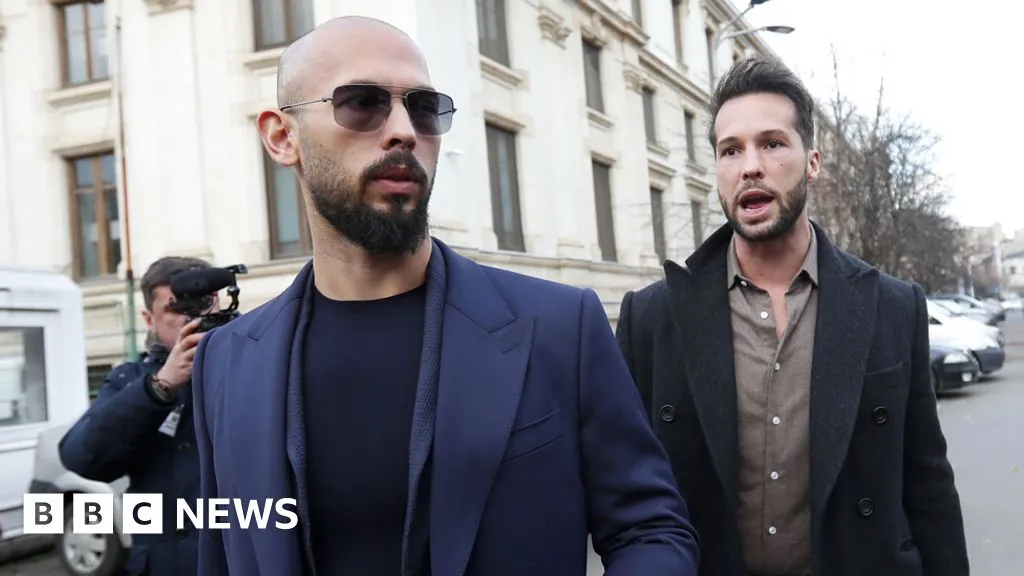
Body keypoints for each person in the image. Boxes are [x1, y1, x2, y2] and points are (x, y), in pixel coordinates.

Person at [190, 15, 699, 576]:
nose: (404, 131)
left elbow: (650, 530)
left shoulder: (560, 327)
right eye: (362, 103)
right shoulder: (225, 361)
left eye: (425, 108)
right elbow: (223, 553)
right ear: (282, 137)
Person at [615, 55, 969, 576]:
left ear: (813, 163)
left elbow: (928, 484)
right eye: (731, 150)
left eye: (772, 143)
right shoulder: (652, 317)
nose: (750, 166)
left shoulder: (892, 307)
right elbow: (625, 494)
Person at [59, 256, 218, 576]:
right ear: (149, 319)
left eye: (202, 303)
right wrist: (160, 387)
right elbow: (82, 457)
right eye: (176, 308)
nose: (192, 316)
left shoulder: (256, 362)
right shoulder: (130, 379)